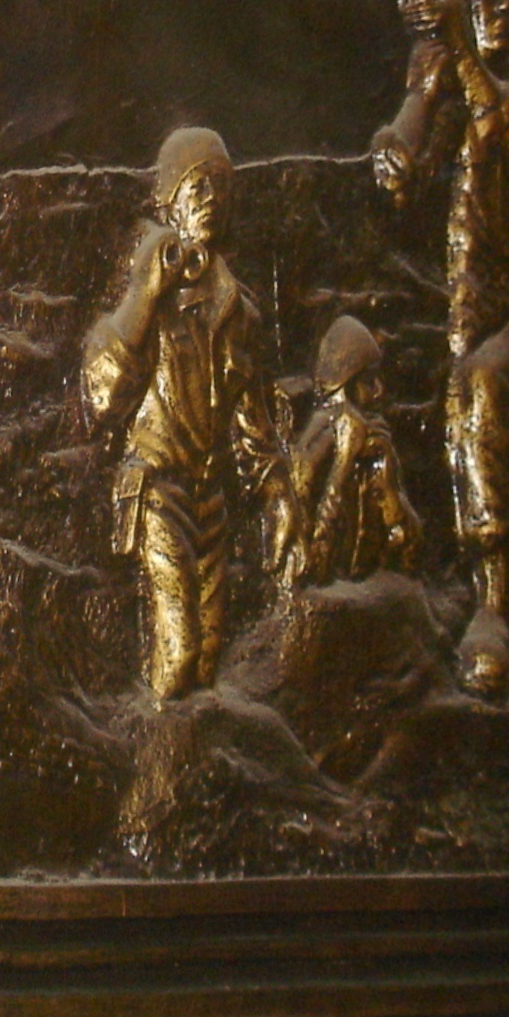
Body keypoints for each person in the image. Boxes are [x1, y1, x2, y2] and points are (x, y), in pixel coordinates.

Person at [371, 0, 509, 694]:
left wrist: (459, 54)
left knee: (481, 386)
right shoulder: (452, 82)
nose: (503, 6)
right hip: (465, 311)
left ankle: (499, 608)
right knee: (451, 392)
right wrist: (404, 131)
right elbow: (408, 172)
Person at [82, 127, 298, 700]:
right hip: (159, 492)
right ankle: (160, 746)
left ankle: (183, 752)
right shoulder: (148, 300)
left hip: (211, 503)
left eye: (221, 187)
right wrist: (144, 294)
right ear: (169, 202)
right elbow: (102, 397)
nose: (211, 199)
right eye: (196, 187)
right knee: (177, 655)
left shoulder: (237, 309)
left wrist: (279, 494)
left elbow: (252, 421)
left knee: (207, 663)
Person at [290, 315, 423, 584]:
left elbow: (407, 546)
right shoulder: (316, 445)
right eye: (369, 381)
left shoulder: (375, 446)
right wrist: (344, 459)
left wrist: (388, 476)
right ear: (345, 387)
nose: (379, 392)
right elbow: (309, 564)